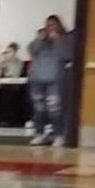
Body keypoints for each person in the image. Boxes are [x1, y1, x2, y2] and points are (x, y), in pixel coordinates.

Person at [27, 15, 72, 146]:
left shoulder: (65, 40)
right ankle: (39, 134)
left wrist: (58, 41)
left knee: (55, 109)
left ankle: (58, 135)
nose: (50, 27)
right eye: (48, 25)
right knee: (38, 109)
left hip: (54, 80)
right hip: (37, 79)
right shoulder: (41, 40)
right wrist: (40, 40)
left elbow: (68, 56)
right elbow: (31, 49)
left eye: (53, 25)